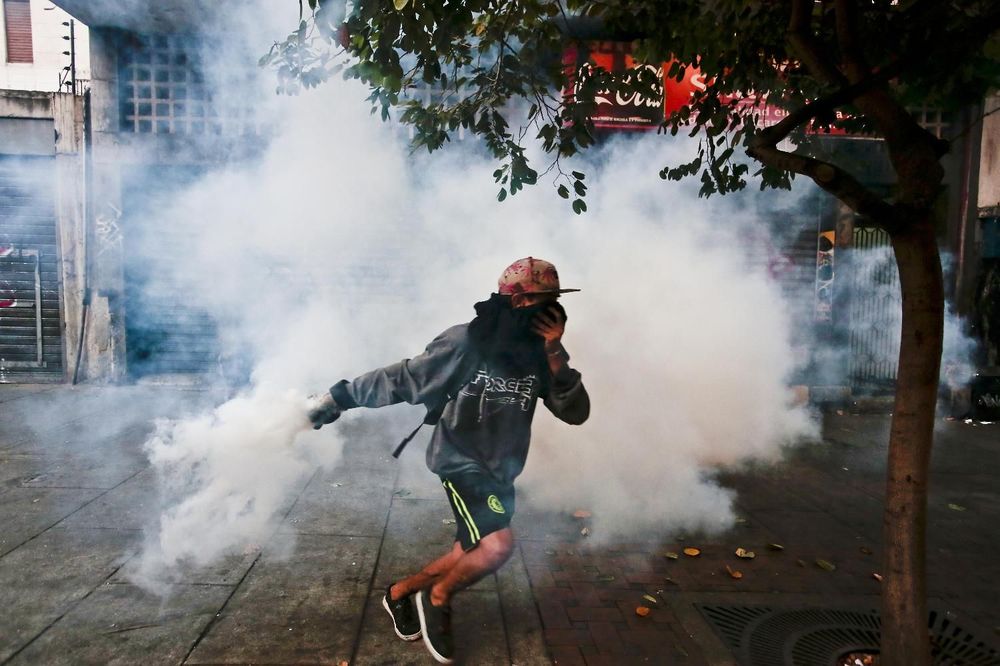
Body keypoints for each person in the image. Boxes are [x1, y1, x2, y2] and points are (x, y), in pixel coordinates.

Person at [308, 257, 590, 664]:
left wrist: (554, 354)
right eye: (542, 301)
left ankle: (399, 593)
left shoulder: (542, 353)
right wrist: (337, 400)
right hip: (460, 460)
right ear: (518, 300)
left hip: (501, 470)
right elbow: (403, 378)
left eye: (554, 303)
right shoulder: (466, 343)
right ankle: (437, 599)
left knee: (466, 552)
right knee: (497, 547)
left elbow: (575, 412)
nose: (551, 311)